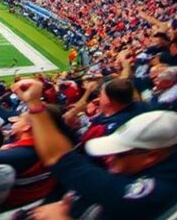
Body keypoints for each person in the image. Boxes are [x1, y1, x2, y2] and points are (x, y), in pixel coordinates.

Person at [12, 79, 177, 220]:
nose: (108, 158)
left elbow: (61, 159)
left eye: (119, 154)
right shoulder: (140, 111)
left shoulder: (156, 193)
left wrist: (61, 217)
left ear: (151, 156)